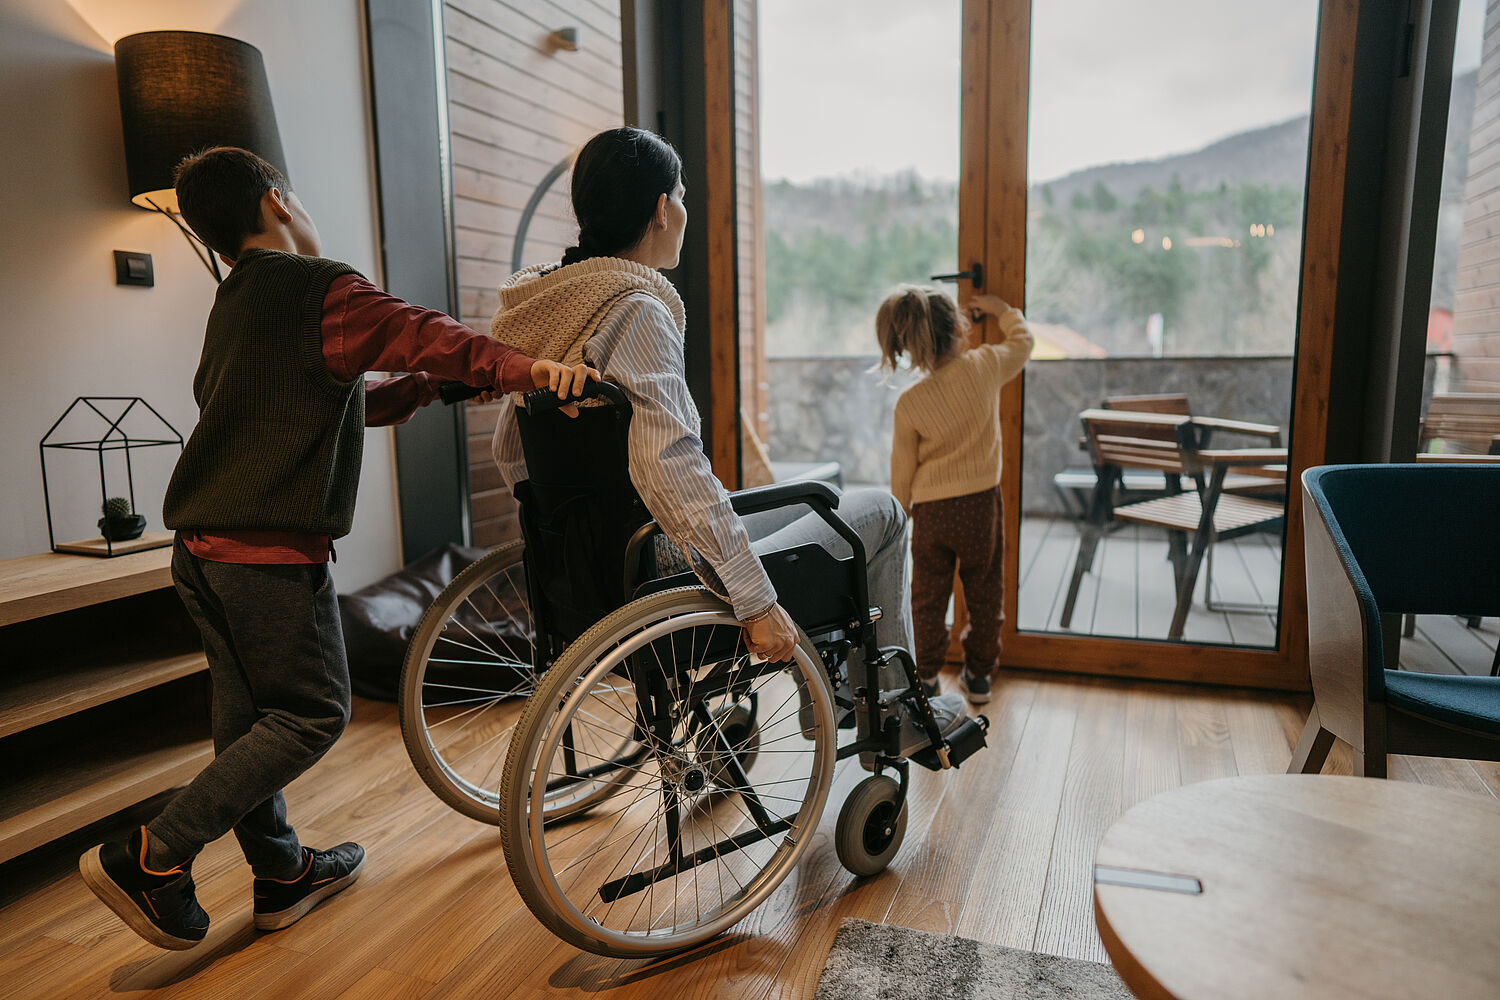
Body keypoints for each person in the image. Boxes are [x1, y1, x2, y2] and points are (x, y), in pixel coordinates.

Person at [78, 146, 592, 951]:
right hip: (265, 559)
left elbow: (319, 408)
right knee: (314, 712)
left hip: (199, 554)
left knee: (247, 721)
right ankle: (155, 853)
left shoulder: (236, 301)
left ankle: (282, 873)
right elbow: (426, 332)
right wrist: (531, 369)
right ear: (278, 200)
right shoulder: (322, 287)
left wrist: (423, 391)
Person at [489, 127, 969, 749]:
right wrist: (754, 598)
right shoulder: (636, 310)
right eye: (683, 196)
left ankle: (825, 691)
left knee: (800, 500)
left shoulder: (551, 309)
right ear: (661, 209)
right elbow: (670, 464)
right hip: (660, 565)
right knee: (879, 511)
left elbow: (511, 449)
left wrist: (567, 535)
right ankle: (885, 710)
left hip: (585, 566)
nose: (685, 211)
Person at [878, 285, 1034, 705]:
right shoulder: (984, 366)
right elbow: (1023, 342)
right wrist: (1002, 309)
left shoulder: (910, 404)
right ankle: (980, 676)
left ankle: (925, 678)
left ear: (910, 345)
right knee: (984, 591)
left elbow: (902, 471)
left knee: (928, 597)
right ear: (957, 328)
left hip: (931, 512)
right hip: (980, 506)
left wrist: (901, 516)